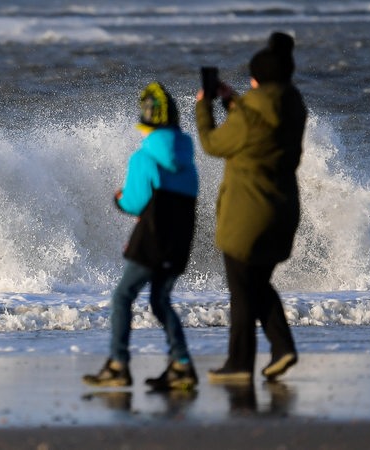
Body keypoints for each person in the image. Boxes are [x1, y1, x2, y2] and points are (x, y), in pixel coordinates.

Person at [195, 32, 307, 383]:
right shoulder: (293, 104)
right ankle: (282, 347)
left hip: (247, 216)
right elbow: (258, 124)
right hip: (282, 212)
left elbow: (213, 144)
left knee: (242, 290)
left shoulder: (250, 114)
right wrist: (234, 102)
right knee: (257, 283)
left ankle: (239, 364)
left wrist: (204, 106)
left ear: (257, 79)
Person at [83, 81, 200, 391]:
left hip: (152, 238)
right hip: (180, 240)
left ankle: (118, 364)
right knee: (161, 301)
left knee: (122, 297)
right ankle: (182, 365)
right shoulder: (188, 160)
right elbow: (177, 203)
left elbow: (134, 202)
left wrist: (119, 198)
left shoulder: (143, 158)